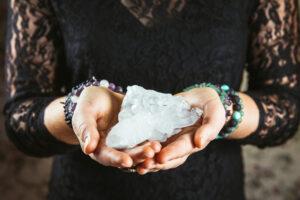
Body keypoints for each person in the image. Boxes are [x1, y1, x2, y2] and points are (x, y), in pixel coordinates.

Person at [3, 0, 300, 199]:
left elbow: (286, 107)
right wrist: (74, 109)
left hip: (213, 190)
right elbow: (20, 117)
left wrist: (225, 107)